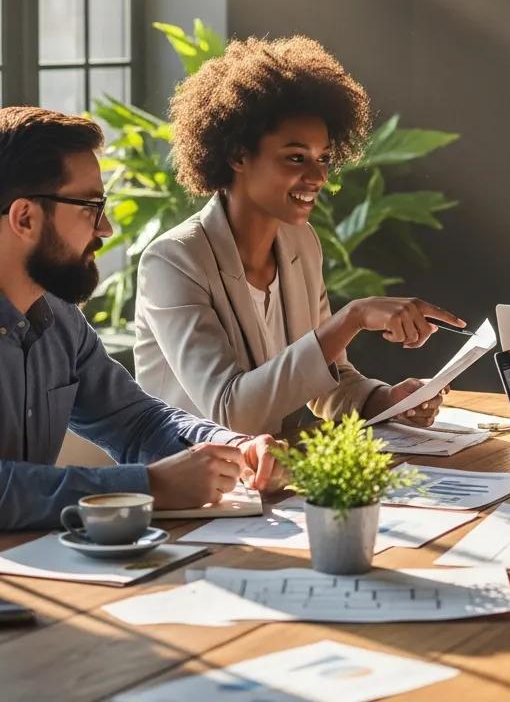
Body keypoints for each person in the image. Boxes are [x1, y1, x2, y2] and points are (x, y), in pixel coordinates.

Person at [134, 35, 466, 437]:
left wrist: (388, 401)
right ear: (238, 155)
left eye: (324, 158)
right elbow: (232, 412)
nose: (318, 176)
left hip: (273, 475)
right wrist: (353, 317)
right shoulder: (175, 261)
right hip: (193, 483)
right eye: (296, 157)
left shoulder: (299, 242)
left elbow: (326, 380)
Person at [0, 107, 285, 530]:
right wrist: (149, 485)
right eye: (90, 207)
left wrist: (231, 447)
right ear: (25, 217)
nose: (107, 228)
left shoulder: (61, 321)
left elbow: (137, 422)